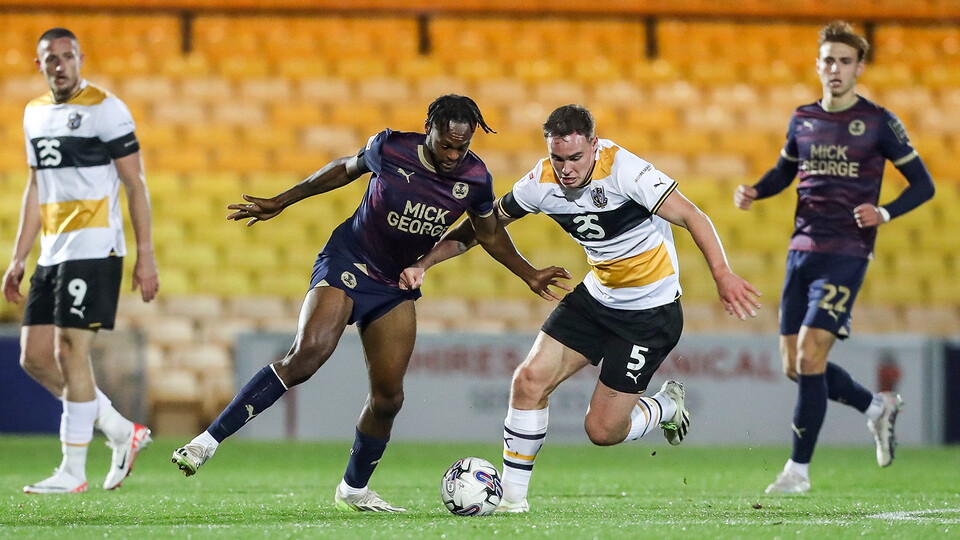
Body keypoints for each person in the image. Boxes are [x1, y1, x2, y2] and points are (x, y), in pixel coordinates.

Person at [171, 94, 570, 512]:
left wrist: (529, 273)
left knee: (388, 398)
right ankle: (205, 443)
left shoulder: (475, 178)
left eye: (462, 146)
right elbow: (342, 171)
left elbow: (487, 232)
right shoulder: (391, 147)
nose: (453, 155)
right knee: (307, 355)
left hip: (394, 283)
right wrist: (282, 200)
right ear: (428, 129)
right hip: (348, 260)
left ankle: (353, 490)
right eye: (446, 144)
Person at [402, 104, 762, 513]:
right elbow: (480, 230)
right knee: (528, 382)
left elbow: (693, 216)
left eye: (575, 157)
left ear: (594, 144)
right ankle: (513, 502)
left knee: (602, 431)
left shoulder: (626, 171)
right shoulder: (540, 183)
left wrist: (722, 274)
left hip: (649, 313)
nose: (567, 168)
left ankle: (665, 406)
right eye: (558, 158)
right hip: (596, 298)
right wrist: (424, 262)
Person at [733, 21, 935, 494]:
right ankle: (875, 408)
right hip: (801, 250)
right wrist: (756, 191)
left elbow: (923, 185)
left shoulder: (879, 122)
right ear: (818, 65)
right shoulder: (802, 117)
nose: (836, 68)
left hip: (847, 251)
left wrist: (884, 211)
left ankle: (797, 472)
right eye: (828, 60)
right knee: (796, 365)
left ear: (859, 67)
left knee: (809, 353)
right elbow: (784, 172)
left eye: (845, 61)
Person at [2, 28, 159, 494]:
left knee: (70, 349)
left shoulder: (106, 109)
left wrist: (145, 255)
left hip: (95, 246)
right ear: (40, 64)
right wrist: (18, 257)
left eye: (68, 56)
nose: (60, 64)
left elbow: (136, 184)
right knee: (34, 358)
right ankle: (119, 431)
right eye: (52, 58)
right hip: (52, 250)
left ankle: (72, 471)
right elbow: (36, 187)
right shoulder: (33, 114)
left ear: (80, 59)